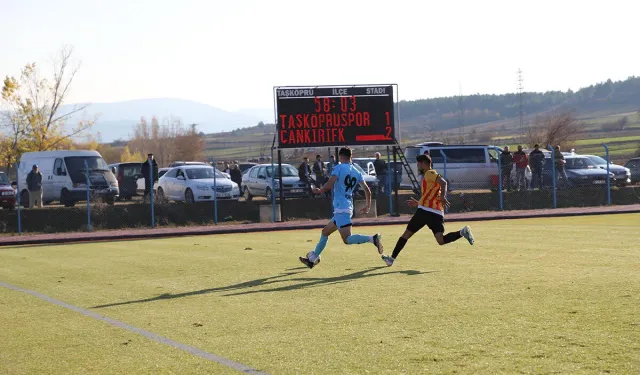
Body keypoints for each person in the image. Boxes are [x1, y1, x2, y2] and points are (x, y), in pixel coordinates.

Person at [381, 154, 474, 267]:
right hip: (436, 212)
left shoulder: (429, 173)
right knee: (441, 240)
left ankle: (391, 259)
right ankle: (462, 232)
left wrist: (443, 197)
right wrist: (419, 202)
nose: (418, 165)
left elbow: (443, 182)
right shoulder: (428, 176)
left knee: (406, 235)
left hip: (425, 212)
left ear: (424, 163)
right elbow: (430, 194)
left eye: (419, 163)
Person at [299, 147, 384, 269]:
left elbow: (330, 184)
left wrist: (320, 190)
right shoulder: (357, 171)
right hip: (346, 206)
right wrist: (368, 206)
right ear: (351, 157)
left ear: (341, 157)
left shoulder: (338, 168)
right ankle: (312, 259)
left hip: (341, 208)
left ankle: (372, 239)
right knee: (325, 232)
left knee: (347, 239)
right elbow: (367, 190)